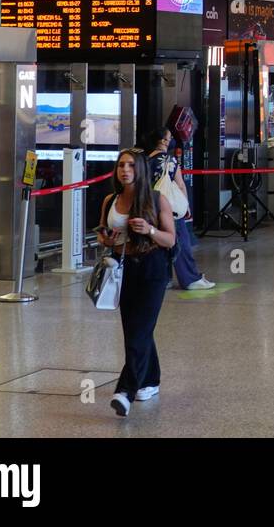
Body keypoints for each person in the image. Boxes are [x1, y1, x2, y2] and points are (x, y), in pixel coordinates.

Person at [96, 148, 177, 418]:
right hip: (123, 268)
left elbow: (170, 239)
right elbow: (103, 236)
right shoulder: (110, 200)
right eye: (121, 165)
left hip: (152, 268)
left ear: (140, 170)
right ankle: (150, 379)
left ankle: (125, 391)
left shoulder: (156, 200)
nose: (125, 170)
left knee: (140, 330)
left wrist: (150, 230)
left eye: (131, 165)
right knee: (135, 330)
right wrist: (106, 239)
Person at [143, 128, 215, 290]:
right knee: (181, 242)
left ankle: (165, 277)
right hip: (170, 207)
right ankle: (190, 279)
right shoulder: (170, 160)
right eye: (169, 137)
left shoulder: (146, 161)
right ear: (163, 141)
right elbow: (180, 184)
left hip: (152, 206)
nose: (171, 140)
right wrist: (185, 205)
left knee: (160, 244)